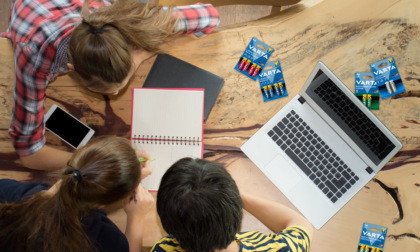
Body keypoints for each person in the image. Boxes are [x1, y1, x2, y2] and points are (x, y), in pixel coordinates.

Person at [1, 0, 220, 170]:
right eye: (110, 89)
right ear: (72, 69)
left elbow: (210, 15)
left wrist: (144, 49)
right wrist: (99, 160)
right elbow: (29, 154)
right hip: (31, 12)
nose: (116, 93)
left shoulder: (118, 24)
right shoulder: (35, 57)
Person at [0, 136, 154, 252]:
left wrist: (121, 177)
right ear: (101, 204)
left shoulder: (10, 195)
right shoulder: (103, 239)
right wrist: (136, 218)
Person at [152, 157, 313, 252]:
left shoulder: (162, 248)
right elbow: (302, 225)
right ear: (238, 220)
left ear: (167, 225)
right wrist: (239, 195)